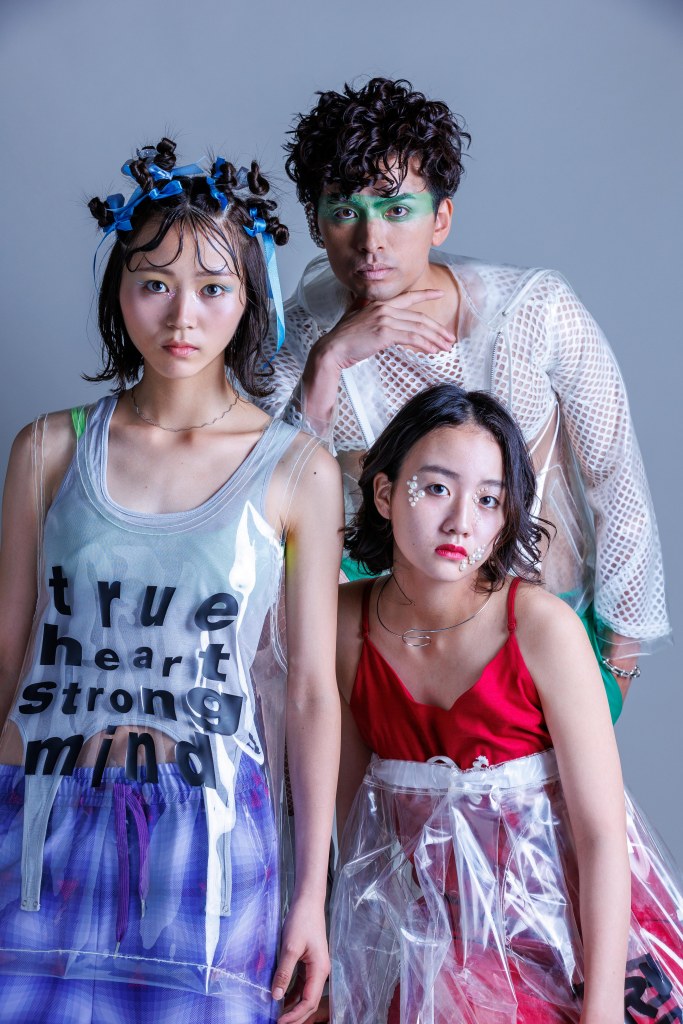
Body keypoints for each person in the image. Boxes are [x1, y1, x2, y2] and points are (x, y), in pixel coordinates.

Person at [0, 138, 343, 1024]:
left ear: (250, 297)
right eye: (154, 283)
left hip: (209, 834)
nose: (182, 315)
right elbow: (6, 649)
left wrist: (311, 895)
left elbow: (310, 692)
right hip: (37, 816)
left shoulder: (297, 469)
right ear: (118, 291)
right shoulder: (47, 449)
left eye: (213, 288)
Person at [258, 77, 671, 721]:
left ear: (441, 218)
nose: (371, 240)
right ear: (317, 223)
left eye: (397, 210)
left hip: (541, 637)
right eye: (345, 211)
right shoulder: (306, 335)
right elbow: (262, 505)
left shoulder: (536, 311)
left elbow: (617, 482)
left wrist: (618, 664)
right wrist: (329, 362)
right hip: (385, 652)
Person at [330, 383, 682, 1024]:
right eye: (436, 488)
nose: (461, 521)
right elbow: (355, 834)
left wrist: (603, 1009)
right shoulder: (345, 625)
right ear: (384, 493)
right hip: (439, 947)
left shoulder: (541, 627)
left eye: (489, 500)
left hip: (577, 942)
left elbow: (602, 836)